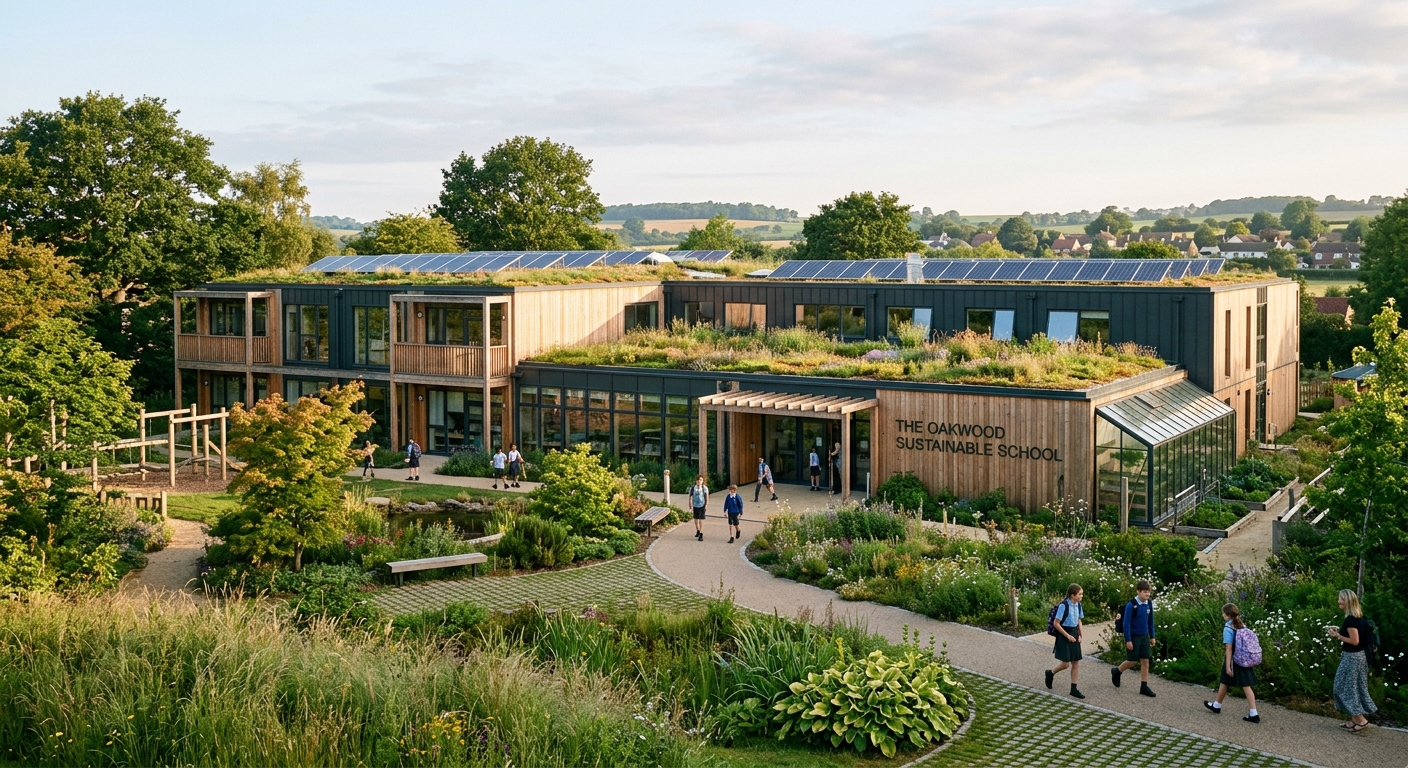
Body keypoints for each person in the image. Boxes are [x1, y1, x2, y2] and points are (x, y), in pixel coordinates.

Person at [1328, 589, 1376, 733]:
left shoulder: (1350, 620)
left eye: (1341, 599)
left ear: (1348, 601)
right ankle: (1355, 719)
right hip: (1358, 656)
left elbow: (1355, 641)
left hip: (1353, 657)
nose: (1339, 601)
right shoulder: (1358, 617)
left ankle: (1361, 720)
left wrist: (1337, 635)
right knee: (1352, 688)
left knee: (1343, 687)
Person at [1204, 603, 1259, 723]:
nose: (1222, 615)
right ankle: (1217, 705)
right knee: (1226, 681)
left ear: (1227, 615)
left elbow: (1229, 648)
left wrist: (1228, 665)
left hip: (1234, 659)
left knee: (1242, 684)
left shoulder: (1228, 628)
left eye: (1223, 613)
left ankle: (1253, 713)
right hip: (1244, 658)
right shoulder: (1241, 625)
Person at [1113, 579, 1157, 697]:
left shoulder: (1149, 604)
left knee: (1145, 661)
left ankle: (1144, 686)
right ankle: (1117, 671)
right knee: (1132, 661)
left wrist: (1152, 636)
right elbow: (1126, 624)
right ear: (1138, 592)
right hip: (1134, 636)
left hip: (1144, 636)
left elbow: (1150, 621)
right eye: (1144, 592)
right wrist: (1128, 640)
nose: (1147, 594)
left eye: (1148, 591)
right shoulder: (1131, 605)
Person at [1045, 584, 1086, 698]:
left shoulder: (1078, 605)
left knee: (1076, 663)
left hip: (1074, 633)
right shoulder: (1063, 606)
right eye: (1080, 594)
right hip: (1064, 634)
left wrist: (1080, 635)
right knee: (1065, 664)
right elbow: (1056, 623)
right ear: (1072, 595)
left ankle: (1074, 689)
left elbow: (1079, 620)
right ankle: (1050, 673)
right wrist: (1067, 636)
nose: (1081, 596)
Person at [690, 475, 709, 540]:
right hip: (695, 505)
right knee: (696, 518)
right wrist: (690, 505)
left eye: (700, 480)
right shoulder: (693, 488)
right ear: (696, 481)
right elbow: (690, 497)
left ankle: (701, 533)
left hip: (702, 504)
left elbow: (706, 497)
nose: (699, 481)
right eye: (698, 480)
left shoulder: (704, 488)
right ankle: (697, 530)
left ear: (702, 481)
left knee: (701, 519)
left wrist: (706, 504)